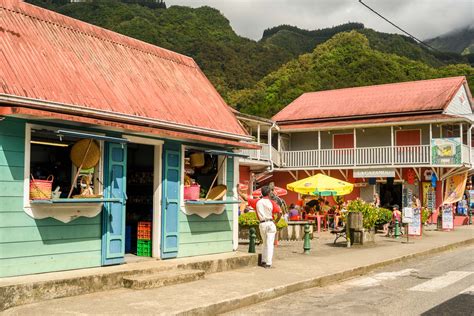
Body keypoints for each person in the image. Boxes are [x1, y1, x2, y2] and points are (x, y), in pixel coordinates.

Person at [237, 185, 281, 268]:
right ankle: (268, 263)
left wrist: (239, 192)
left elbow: (246, 198)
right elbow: (280, 212)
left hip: (262, 224)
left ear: (261, 193)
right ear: (269, 193)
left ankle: (263, 261)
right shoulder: (272, 202)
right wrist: (276, 221)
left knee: (264, 243)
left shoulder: (257, 201)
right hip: (270, 223)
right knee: (270, 244)